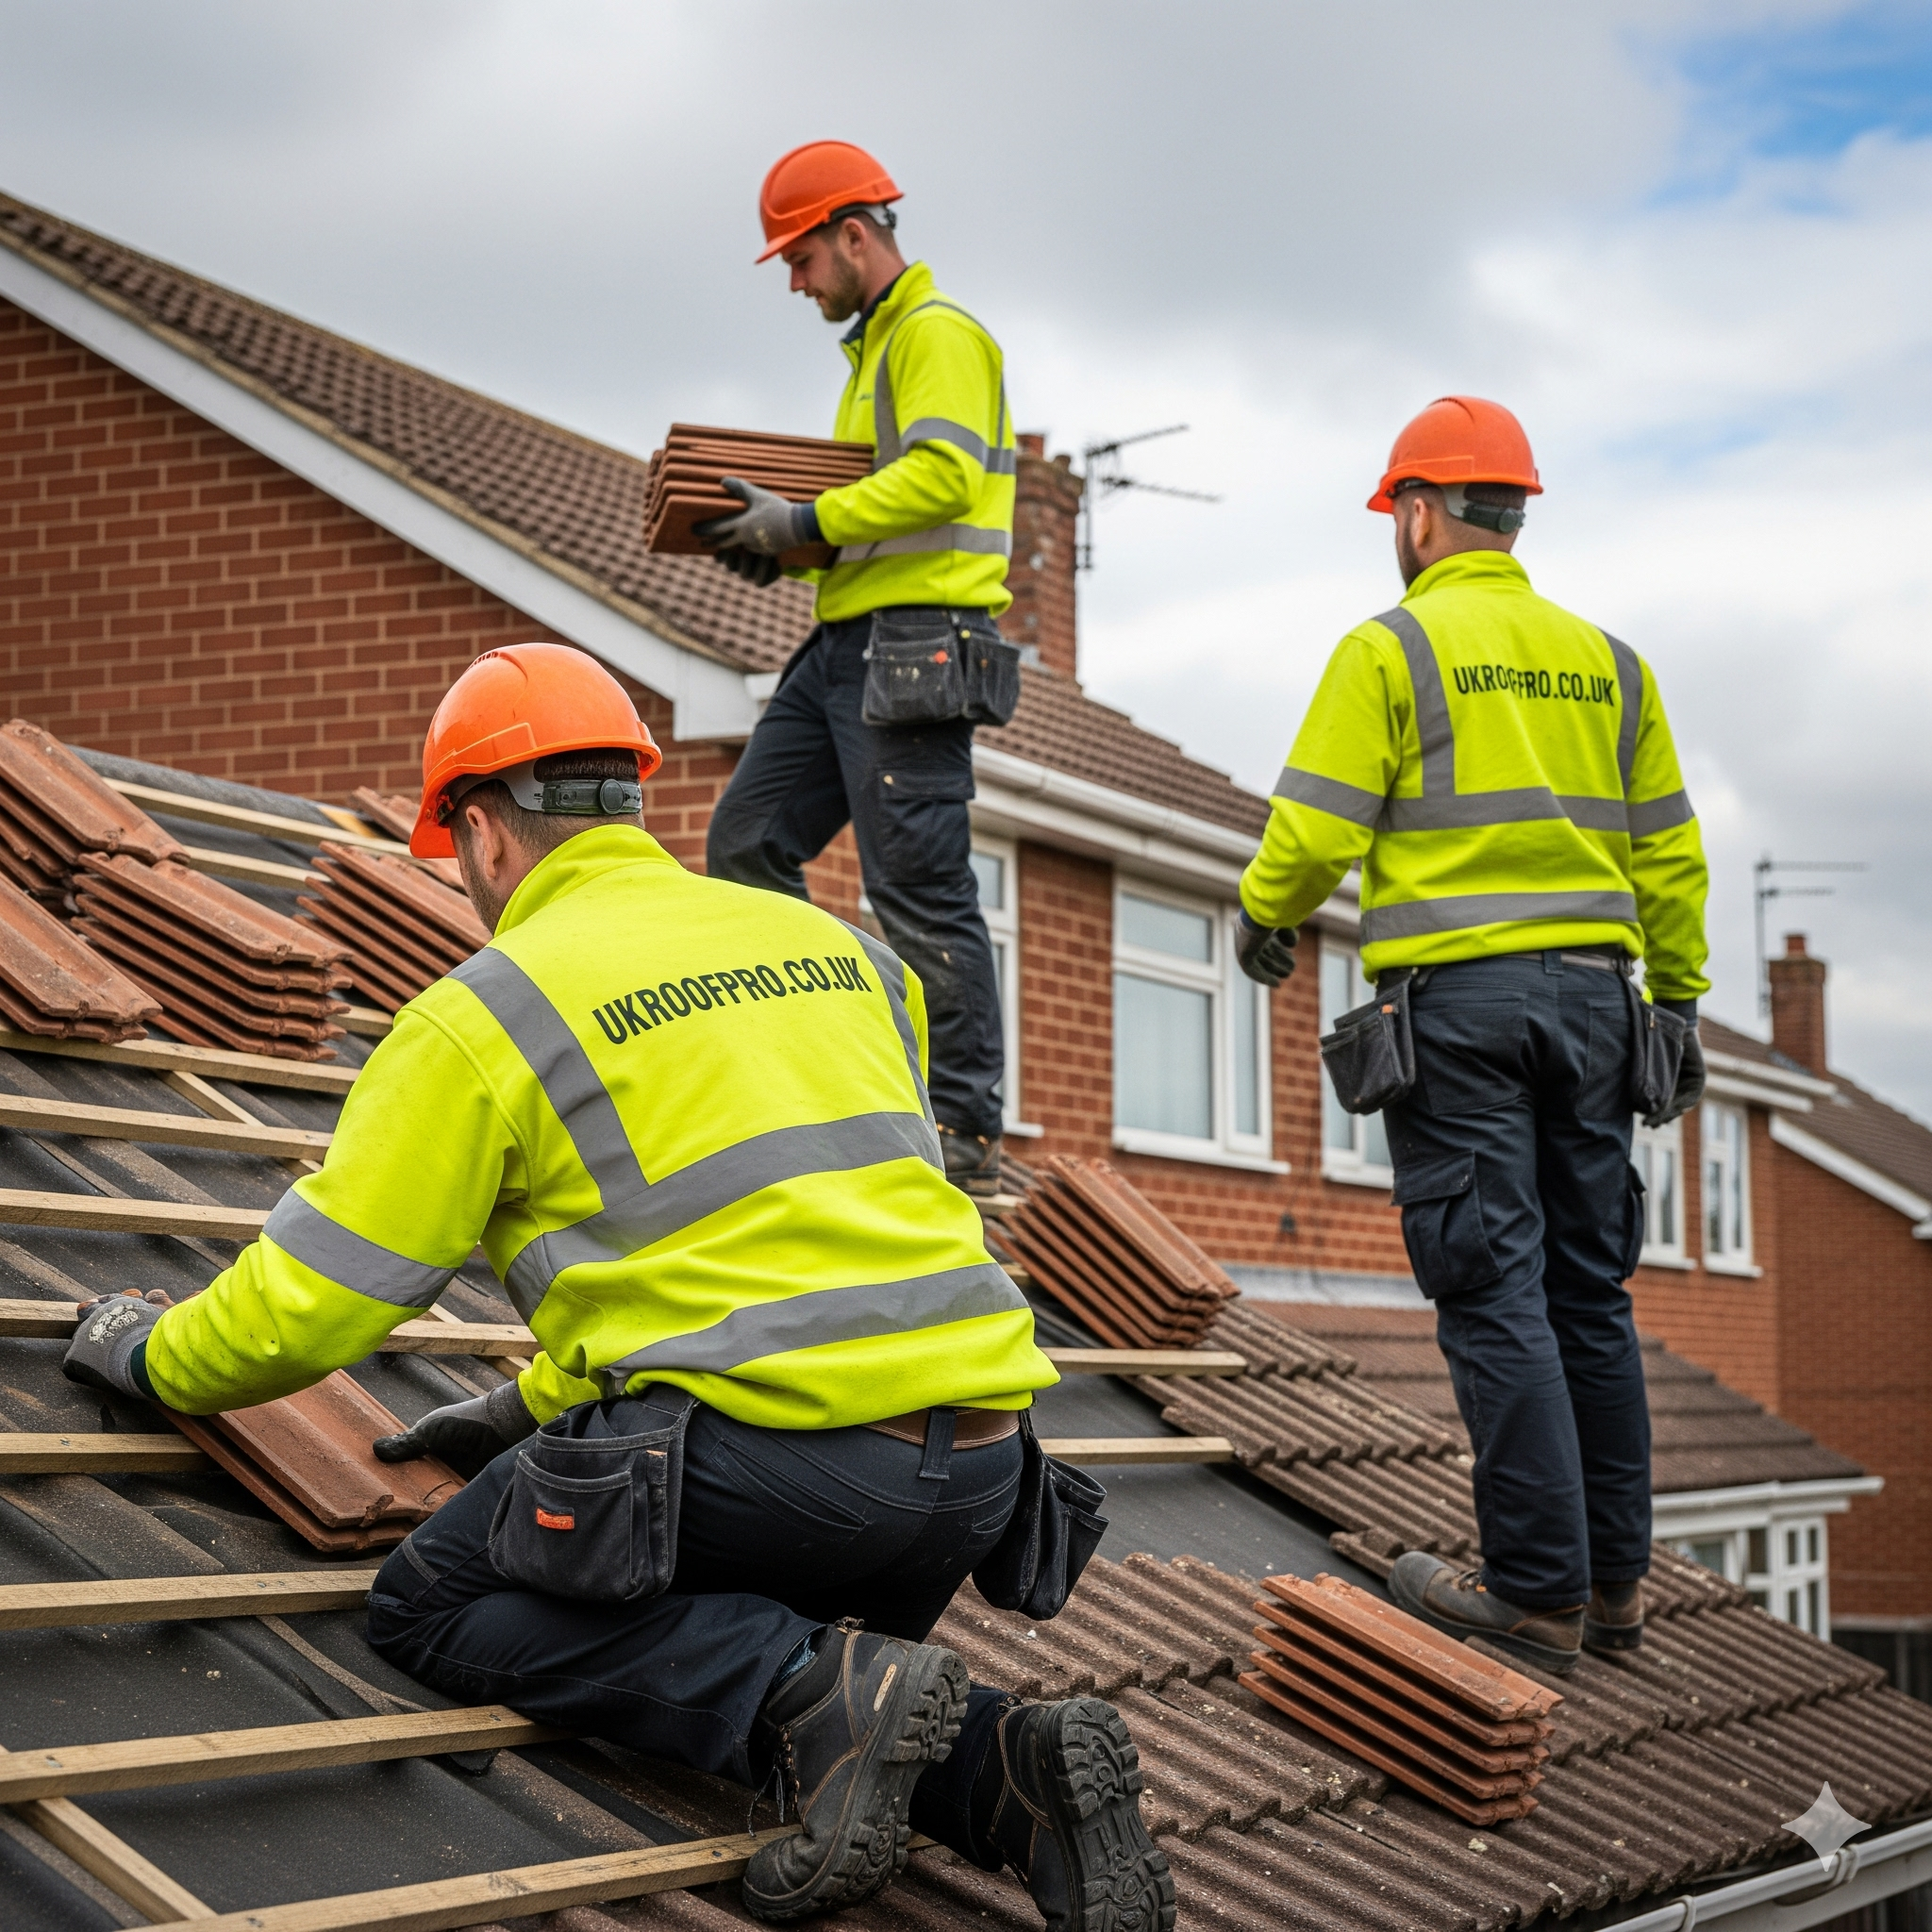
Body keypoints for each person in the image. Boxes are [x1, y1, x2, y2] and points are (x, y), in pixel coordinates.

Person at [63, 643, 1174, 1932]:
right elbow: (776, 1244)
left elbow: (303, 1308)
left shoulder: (485, 1016)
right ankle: (1008, 1775)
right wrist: (530, 1407)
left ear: (480, 833)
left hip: (789, 1472)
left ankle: (813, 1694)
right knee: (735, 1610)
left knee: (442, 1598)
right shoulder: (840, 950)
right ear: (630, 800)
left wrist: (146, 1353)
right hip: (982, 1480)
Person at [1235, 398, 1709, 1675]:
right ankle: (1615, 1594)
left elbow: (1317, 831)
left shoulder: (1391, 650)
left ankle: (1535, 1594)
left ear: (1422, 513)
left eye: (1399, 512)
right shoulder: (1612, 664)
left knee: (1494, 1292)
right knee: (1588, 1296)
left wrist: (1265, 918)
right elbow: (1670, 852)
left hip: (1464, 1011)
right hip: (1600, 1006)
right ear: (1518, 514)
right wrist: (1677, 997)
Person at [699, 140, 1017, 1197]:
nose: (793, 282)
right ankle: (824, 1056)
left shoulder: (935, 335)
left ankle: (963, 1124)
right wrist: (782, 546)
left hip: (916, 647)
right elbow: (875, 521)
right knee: (745, 841)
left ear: (853, 234)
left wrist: (805, 517)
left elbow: (939, 478)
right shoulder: (875, 354)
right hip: (847, 641)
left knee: (918, 887)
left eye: (798, 258)